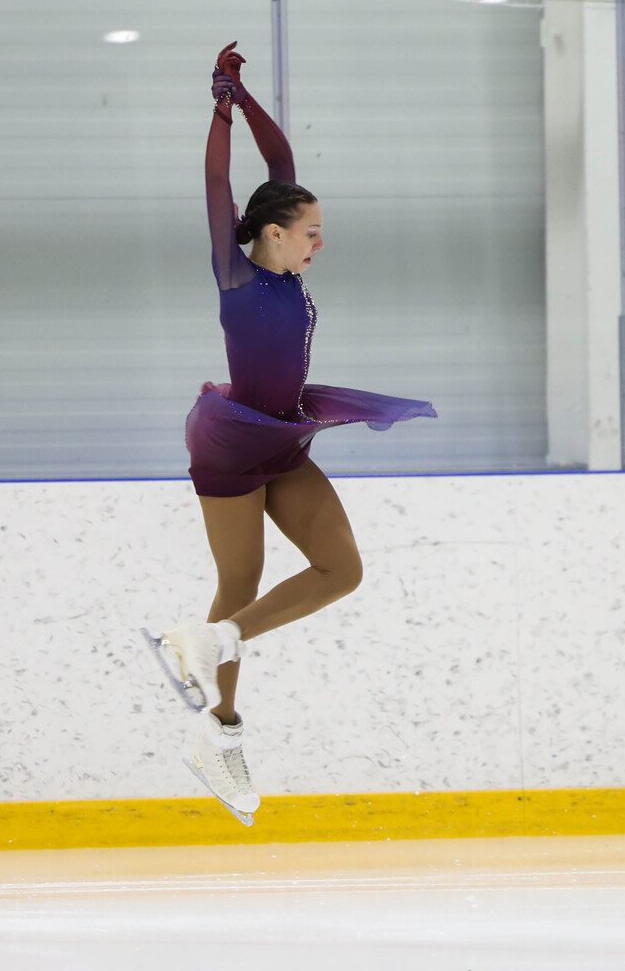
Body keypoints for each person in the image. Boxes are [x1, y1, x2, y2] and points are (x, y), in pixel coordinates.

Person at [148, 41, 435, 824]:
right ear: (272, 234)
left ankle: (211, 644)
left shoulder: (289, 271)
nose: (318, 242)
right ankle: (222, 732)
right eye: (309, 230)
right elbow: (218, 182)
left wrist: (242, 94)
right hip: (234, 441)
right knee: (238, 578)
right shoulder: (237, 279)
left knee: (341, 570)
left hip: (284, 432)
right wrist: (216, 111)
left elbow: (276, 155)